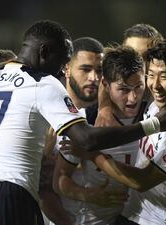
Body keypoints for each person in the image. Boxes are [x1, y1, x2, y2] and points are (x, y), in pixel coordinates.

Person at [0, 20, 166, 225]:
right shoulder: (44, 84)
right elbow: (86, 139)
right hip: (9, 192)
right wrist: (155, 125)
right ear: (45, 52)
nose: (63, 67)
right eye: (63, 58)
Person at [69, 39, 166, 225]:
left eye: (164, 77)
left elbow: (142, 181)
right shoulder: (159, 101)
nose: (155, 85)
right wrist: (104, 107)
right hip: (131, 215)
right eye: (150, 75)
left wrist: (92, 154)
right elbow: (114, 75)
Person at [53, 45, 147, 224]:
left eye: (138, 87)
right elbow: (59, 179)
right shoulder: (85, 122)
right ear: (105, 85)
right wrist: (90, 196)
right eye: (124, 89)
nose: (133, 98)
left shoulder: (153, 113)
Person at [38, 37, 104, 225]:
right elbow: (42, 190)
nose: (94, 78)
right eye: (85, 69)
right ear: (67, 68)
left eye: (99, 71)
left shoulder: (98, 117)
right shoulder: (46, 116)